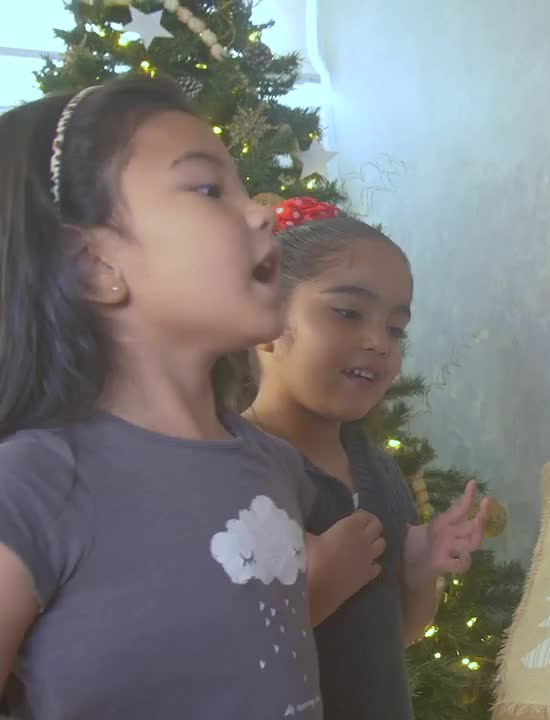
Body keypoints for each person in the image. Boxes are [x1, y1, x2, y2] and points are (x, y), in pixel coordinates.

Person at [0, 77, 324, 717]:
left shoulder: (277, 468)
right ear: (94, 265)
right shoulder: (33, 487)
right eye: (209, 189)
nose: (262, 209)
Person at [240, 198, 489, 720]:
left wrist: (420, 574)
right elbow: (203, 665)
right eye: (348, 313)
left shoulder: (377, 469)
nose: (378, 341)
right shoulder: (231, 471)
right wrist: (317, 590)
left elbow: (398, 634)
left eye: (396, 328)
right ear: (266, 321)